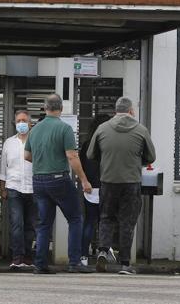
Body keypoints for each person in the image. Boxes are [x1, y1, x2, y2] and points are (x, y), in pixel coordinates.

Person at [24, 94, 94, 274]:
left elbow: (26, 156)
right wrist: (84, 180)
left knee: (44, 223)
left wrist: (44, 163)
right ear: (61, 109)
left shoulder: (34, 130)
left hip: (38, 180)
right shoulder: (64, 129)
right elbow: (72, 156)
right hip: (59, 180)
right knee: (76, 218)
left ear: (45, 108)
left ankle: (40, 264)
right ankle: (74, 262)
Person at [87, 96, 156, 275]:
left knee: (106, 217)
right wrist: (135, 162)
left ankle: (103, 250)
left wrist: (107, 161)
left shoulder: (102, 129)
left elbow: (90, 154)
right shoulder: (141, 130)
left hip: (108, 181)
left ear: (115, 111)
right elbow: (151, 157)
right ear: (131, 111)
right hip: (131, 182)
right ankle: (125, 264)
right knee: (127, 221)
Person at [0, 110, 35, 268]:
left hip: (33, 188)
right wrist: (2, 188)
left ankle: (28, 256)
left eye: (24, 120)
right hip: (13, 187)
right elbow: (3, 168)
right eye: (19, 120)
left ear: (30, 123)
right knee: (16, 223)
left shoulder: (35, 141)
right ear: (15, 123)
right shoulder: (9, 143)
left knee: (31, 225)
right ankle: (17, 257)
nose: (21, 123)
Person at [78, 114, 110, 266]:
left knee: (89, 222)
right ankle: (102, 252)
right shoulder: (108, 144)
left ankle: (83, 255)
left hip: (89, 188)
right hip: (106, 187)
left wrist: (85, 181)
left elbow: (81, 165)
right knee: (105, 222)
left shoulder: (86, 145)